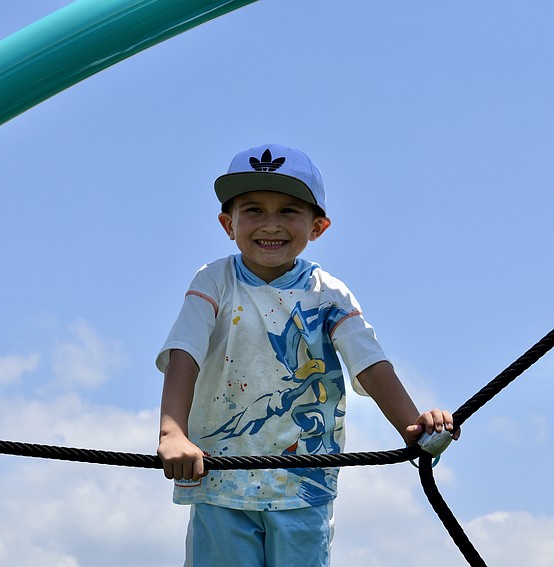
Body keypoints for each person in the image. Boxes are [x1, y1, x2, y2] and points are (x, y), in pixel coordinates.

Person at [155, 143, 458, 566]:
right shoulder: (215, 279)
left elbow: (370, 364)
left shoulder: (329, 293)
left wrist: (413, 424)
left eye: (289, 211)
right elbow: (184, 351)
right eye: (254, 210)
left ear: (318, 227)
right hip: (220, 474)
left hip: (303, 482)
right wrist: (173, 433)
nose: (270, 224)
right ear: (228, 224)